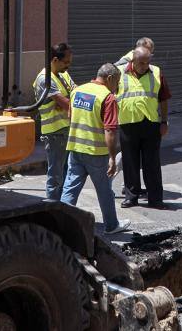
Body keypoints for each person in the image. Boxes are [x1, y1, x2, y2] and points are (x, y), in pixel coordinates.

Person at [61, 64, 131, 235]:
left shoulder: (78, 91)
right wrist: (113, 158)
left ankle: (59, 224)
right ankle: (111, 225)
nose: (117, 87)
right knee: (105, 191)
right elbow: (110, 130)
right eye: (117, 82)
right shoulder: (107, 97)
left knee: (70, 188)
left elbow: (70, 116)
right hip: (96, 153)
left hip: (75, 148)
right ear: (109, 78)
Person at [117, 46, 171, 209]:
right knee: (129, 162)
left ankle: (155, 199)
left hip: (151, 124)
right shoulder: (119, 72)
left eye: (148, 62)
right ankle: (131, 197)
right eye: (141, 63)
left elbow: (163, 99)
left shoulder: (156, 72)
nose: (145, 66)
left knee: (152, 163)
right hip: (127, 123)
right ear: (133, 60)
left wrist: (164, 122)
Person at [34, 43, 76, 201]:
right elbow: (66, 103)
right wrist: (67, 103)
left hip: (66, 129)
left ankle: (64, 207)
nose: (68, 66)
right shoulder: (44, 79)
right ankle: (53, 207)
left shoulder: (63, 74)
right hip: (54, 132)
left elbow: (75, 93)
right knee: (56, 175)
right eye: (66, 62)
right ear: (54, 60)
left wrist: (68, 102)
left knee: (67, 173)